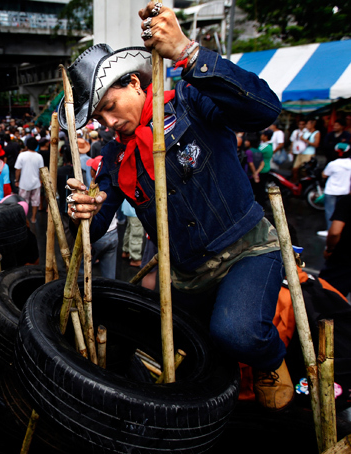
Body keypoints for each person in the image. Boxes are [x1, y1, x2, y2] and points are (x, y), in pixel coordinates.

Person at [63, 2, 290, 410]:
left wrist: (190, 53)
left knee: (238, 334)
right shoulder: (115, 157)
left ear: (135, 82)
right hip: (185, 276)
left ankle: (270, 359)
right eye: (98, 117)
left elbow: (265, 110)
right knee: (183, 360)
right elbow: (95, 229)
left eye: (110, 108)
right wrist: (82, 210)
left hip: (248, 251)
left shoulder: (189, 98)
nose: (108, 124)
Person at [320, 194, 351, 298]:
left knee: (328, 298)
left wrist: (330, 249)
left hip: (343, 259)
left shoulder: (347, 200)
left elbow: (335, 232)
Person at [318, 147, 351, 236]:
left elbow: (324, 174)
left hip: (332, 191)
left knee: (330, 212)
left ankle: (330, 230)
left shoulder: (333, 164)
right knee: (341, 212)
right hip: (345, 191)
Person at [14, 137, 44, 224]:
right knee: (35, 202)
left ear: (26, 145)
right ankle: (33, 218)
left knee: (23, 202)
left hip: (24, 183)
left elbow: (18, 169)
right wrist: (41, 181)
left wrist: (16, 180)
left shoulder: (22, 155)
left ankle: (25, 219)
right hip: (36, 183)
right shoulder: (39, 156)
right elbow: (41, 171)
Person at [293, 118, 320, 183]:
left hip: (309, 153)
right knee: (295, 168)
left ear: (313, 124)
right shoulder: (305, 132)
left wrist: (305, 140)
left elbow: (316, 144)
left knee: (305, 170)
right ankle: (295, 182)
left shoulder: (316, 133)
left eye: (308, 124)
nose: (306, 125)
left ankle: (304, 184)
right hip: (301, 152)